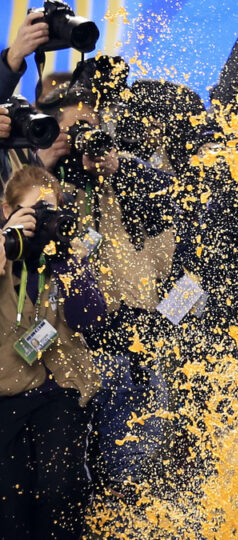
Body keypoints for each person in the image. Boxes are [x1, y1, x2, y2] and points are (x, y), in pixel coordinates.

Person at [0, 165, 101, 539]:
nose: (42, 225)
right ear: (7, 210)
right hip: (5, 397)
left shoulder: (60, 257)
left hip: (57, 388)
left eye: (51, 213)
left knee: (62, 497)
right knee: (11, 511)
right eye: (34, 214)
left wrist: (68, 260)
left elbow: (89, 317)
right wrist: (8, 243)